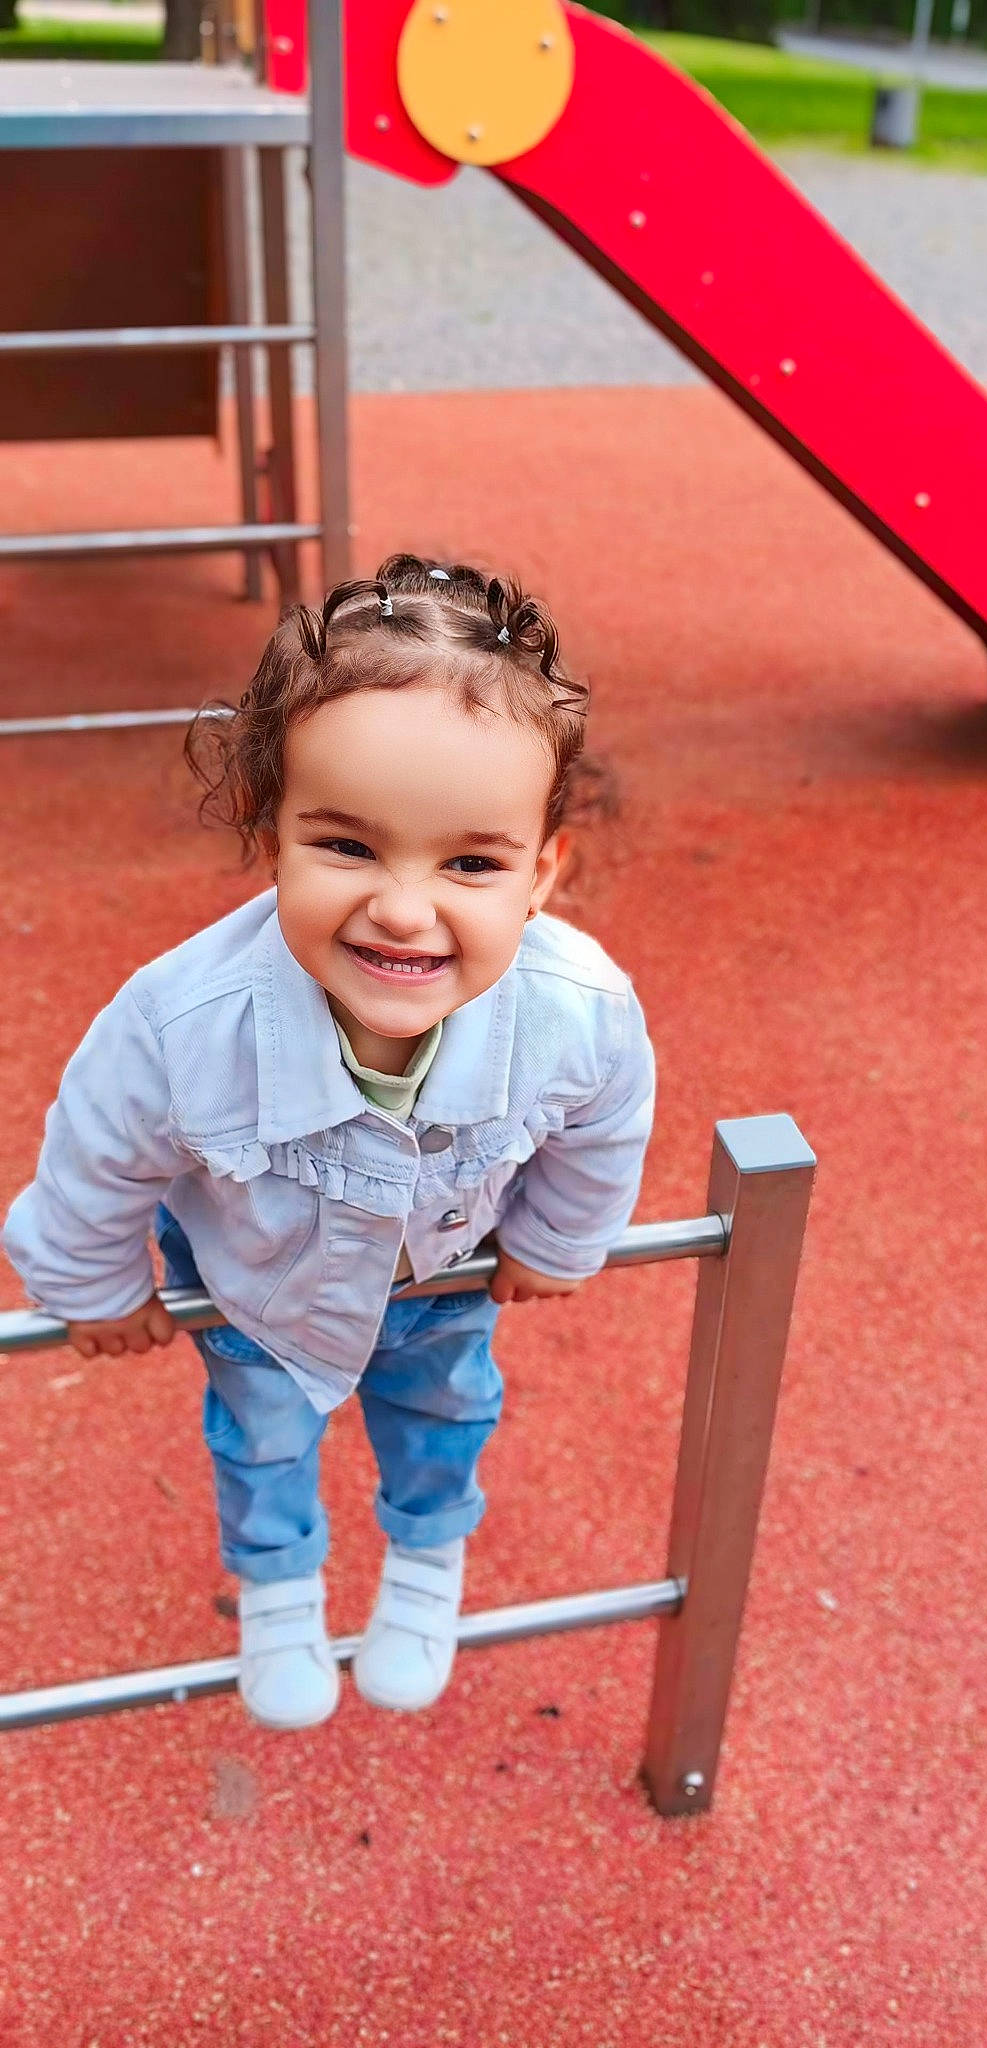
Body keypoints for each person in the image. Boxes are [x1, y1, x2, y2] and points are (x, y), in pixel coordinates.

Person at [2, 554, 657, 1733]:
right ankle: (279, 1582)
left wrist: (559, 1237)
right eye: (347, 846)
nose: (405, 908)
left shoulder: (581, 1008)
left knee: (448, 1410)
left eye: (470, 861)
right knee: (258, 1437)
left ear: (541, 873)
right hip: (256, 1282)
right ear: (271, 838)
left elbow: (603, 1122)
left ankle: (422, 1559)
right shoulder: (181, 1020)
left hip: (443, 1270)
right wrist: (92, 1285)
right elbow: (98, 1156)